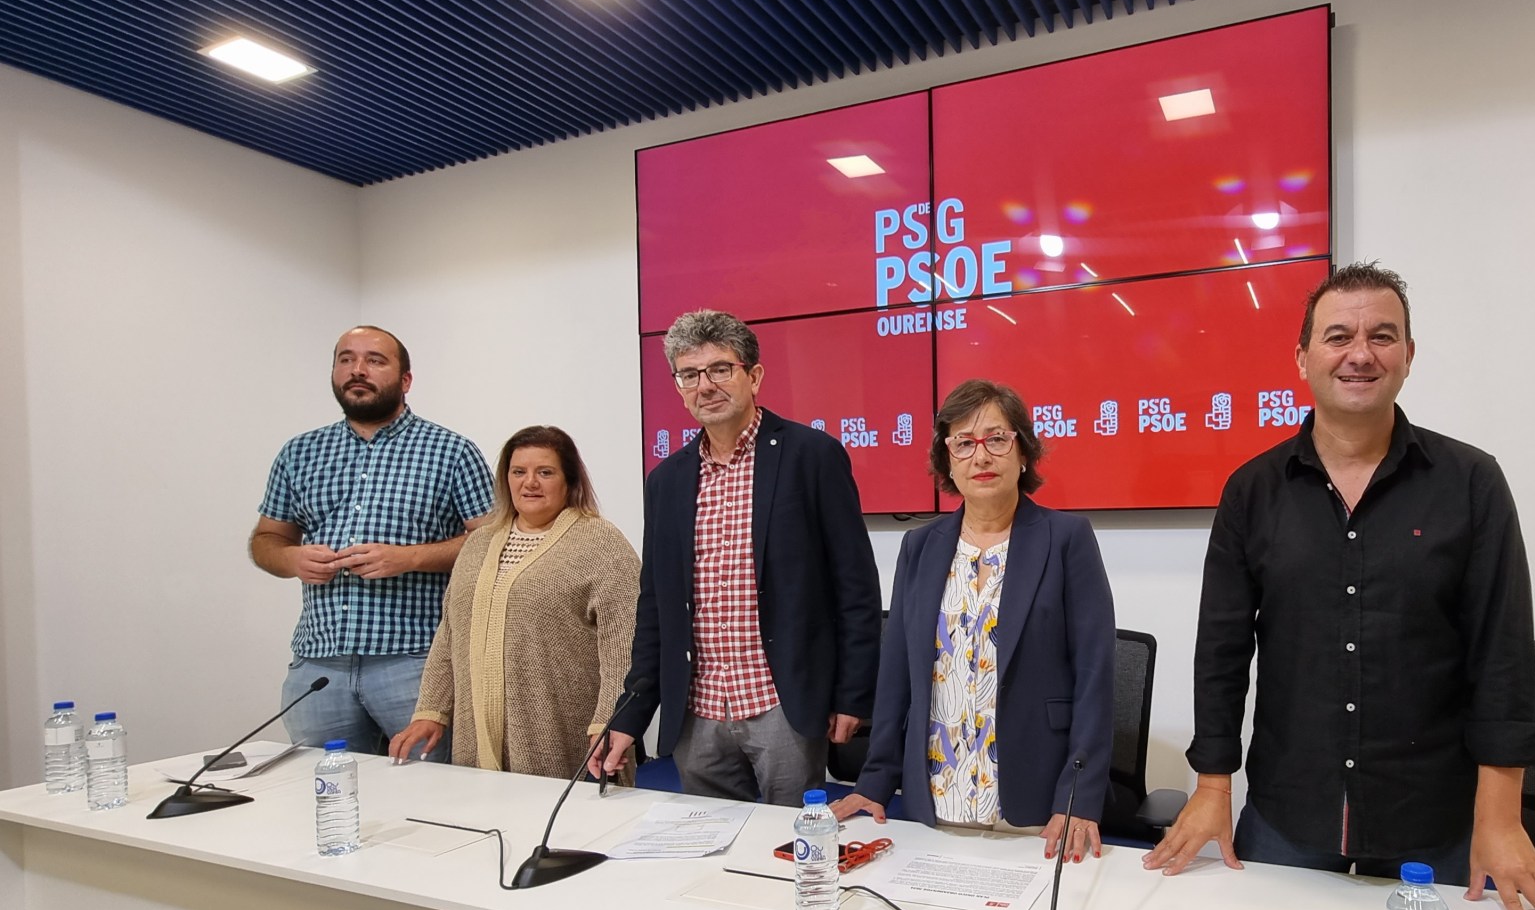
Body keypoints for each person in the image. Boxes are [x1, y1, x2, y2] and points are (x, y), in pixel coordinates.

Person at [1143, 262, 1535, 910]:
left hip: (1433, 819)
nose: (1360, 354)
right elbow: (1221, 651)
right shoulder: (1253, 491)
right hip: (1288, 812)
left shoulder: (1470, 482)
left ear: (1408, 355)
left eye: (1382, 336)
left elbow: (1502, 654)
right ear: (1302, 358)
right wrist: (1213, 785)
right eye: (1339, 336)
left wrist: (1500, 818)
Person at [590, 309, 879, 807]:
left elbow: (855, 587)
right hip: (697, 711)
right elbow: (655, 608)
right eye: (690, 375)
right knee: (712, 842)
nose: (705, 386)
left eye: (720, 369)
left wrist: (852, 695)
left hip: (782, 703)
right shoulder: (666, 482)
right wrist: (630, 714)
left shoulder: (812, 457)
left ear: (754, 376)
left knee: (793, 839)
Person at [835, 381, 1116, 861]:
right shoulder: (919, 547)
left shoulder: (1067, 538)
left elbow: (1095, 675)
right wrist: (874, 781)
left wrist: (1078, 798)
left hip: (1037, 807)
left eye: (997, 439)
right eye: (963, 443)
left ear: (1023, 453)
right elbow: (897, 673)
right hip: (936, 797)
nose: (981, 455)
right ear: (947, 461)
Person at [250, 326, 492, 759]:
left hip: (416, 661)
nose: (357, 370)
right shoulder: (299, 453)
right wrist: (291, 559)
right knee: (327, 788)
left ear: (405, 380)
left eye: (375, 361)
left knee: (433, 788)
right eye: (346, 359)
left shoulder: (451, 451)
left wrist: (410, 557)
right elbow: (267, 539)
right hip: (319, 663)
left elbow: (493, 541)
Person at [387, 426, 640, 778]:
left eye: (545, 472)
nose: (530, 483)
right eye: (518, 472)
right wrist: (431, 710)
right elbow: (449, 634)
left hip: (565, 732)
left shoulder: (600, 542)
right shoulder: (478, 544)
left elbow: (624, 644)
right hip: (475, 737)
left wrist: (610, 719)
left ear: (569, 480)